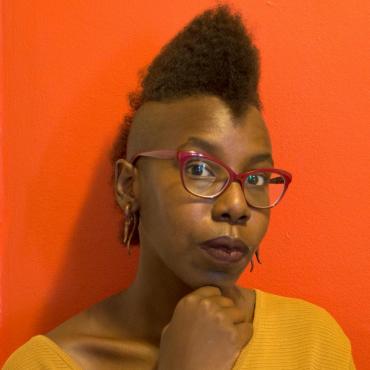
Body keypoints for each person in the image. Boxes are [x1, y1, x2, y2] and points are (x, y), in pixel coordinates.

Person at [3, 4, 355, 370]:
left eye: (255, 179)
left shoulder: (313, 343)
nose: (237, 205)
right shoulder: (44, 364)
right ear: (129, 186)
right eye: (201, 168)